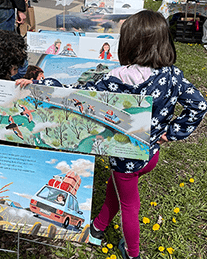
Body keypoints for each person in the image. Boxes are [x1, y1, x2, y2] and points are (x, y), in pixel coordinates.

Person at [16, 10, 207, 259]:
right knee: (115, 188)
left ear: (128, 43)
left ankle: (132, 252)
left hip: (124, 157)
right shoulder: (173, 75)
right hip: (151, 155)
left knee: (130, 205)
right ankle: (98, 227)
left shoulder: (115, 78)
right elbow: (199, 105)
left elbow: (74, 93)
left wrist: (41, 84)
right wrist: (171, 133)